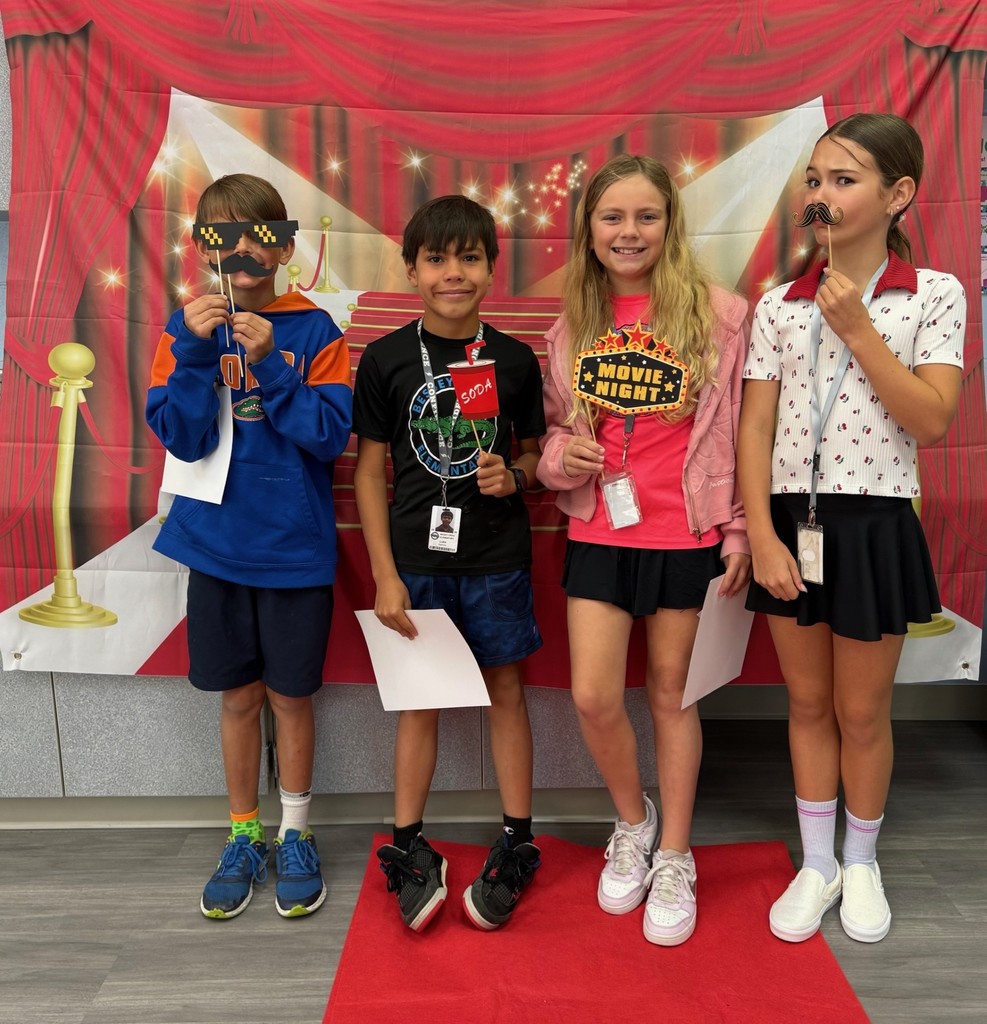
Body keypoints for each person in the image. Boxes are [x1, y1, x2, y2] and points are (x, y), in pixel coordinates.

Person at [737, 113, 964, 944]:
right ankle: (816, 862)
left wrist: (858, 330)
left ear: (896, 194)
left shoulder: (934, 294)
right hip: (792, 523)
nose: (822, 195)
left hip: (873, 524)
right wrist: (760, 533)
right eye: (815, 180)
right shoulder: (774, 306)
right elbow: (753, 429)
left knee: (861, 712)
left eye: (845, 179)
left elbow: (933, 420)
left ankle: (861, 861)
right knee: (805, 702)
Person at [537, 155, 751, 946]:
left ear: (670, 224)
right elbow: (552, 435)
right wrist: (564, 460)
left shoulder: (721, 317)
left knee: (672, 697)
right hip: (599, 528)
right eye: (612, 218)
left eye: (645, 216)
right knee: (594, 696)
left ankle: (673, 854)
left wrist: (735, 530)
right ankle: (632, 821)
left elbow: (736, 431)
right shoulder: (573, 327)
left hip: (686, 535)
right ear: (589, 231)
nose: (629, 232)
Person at [146, 173, 353, 919]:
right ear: (201, 247)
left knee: (291, 698)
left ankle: (295, 832)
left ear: (285, 245)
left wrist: (271, 362)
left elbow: (330, 438)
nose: (238, 250)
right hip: (217, 547)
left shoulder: (316, 331)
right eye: (219, 235)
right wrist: (196, 354)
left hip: (295, 548)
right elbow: (180, 435)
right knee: (237, 697)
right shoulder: (183, 328)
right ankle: (244, 834)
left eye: (257, 234)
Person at [353, 195, 546, 932]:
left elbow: (532, 451)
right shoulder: (387, 358)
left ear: (491, 269)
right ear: (411, 269)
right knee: (420, 701)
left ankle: (518, 839)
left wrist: (516, 476)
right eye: (436, 258)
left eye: (469, 257)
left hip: (495, 556)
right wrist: (385, 574)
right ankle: (408, 846)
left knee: (506, 691)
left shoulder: (516, 360)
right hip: (413, 561)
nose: (452, 272)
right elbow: (370, 472)